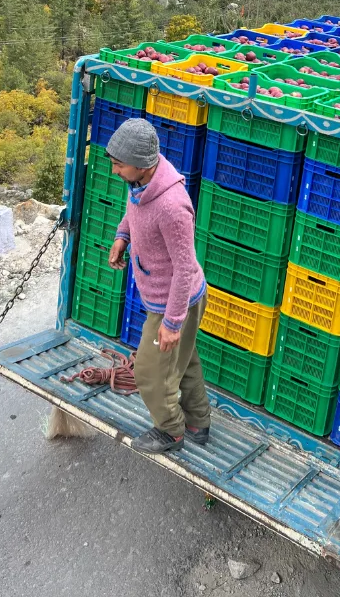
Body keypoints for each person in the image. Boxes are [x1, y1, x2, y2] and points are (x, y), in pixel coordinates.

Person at [106, 117, 211, 454]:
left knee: (150, 373)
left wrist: (171, 323)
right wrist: (123, 236)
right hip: (164, 297)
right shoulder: (141, 184)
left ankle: (171, 432)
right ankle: (198, 423)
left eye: (119, 166)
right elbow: (135, 210)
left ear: (141, 164)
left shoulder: (172, 206)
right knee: (185, 362)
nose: (115, 172)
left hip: (174, 301)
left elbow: (184, 268)